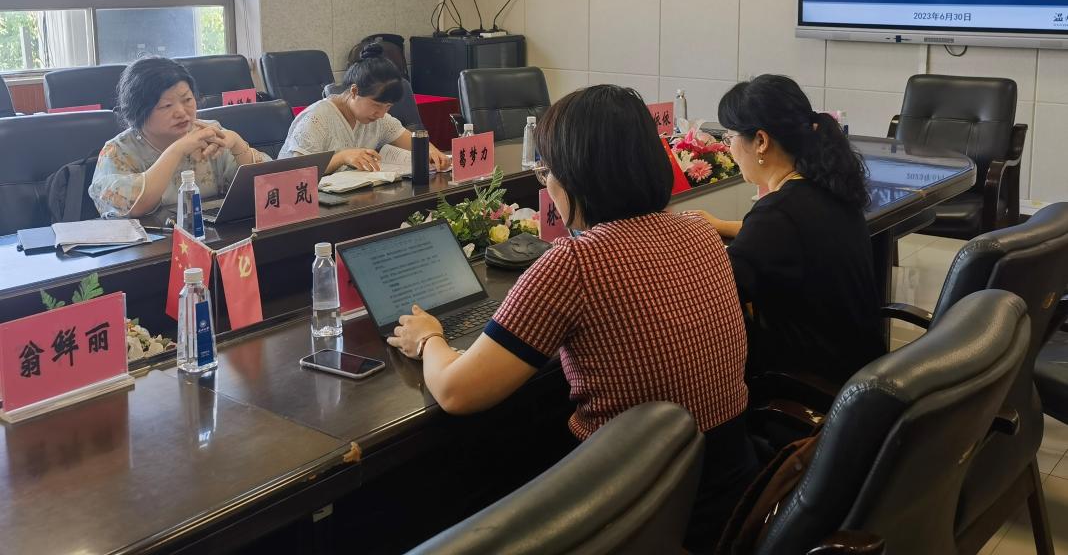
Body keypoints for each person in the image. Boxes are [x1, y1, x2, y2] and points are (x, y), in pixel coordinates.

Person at [387, 85, 756, 551]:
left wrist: (429, 339)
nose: (547, 185)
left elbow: (457, 392)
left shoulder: (575, 262)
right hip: (729, 495)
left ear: (575, 176)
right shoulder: (698, 231)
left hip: (634, 513)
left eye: (547, 171)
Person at [692, 74, 885, 383]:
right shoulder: (827, 187)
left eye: (730, 138)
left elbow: (716, 295)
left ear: (761, 141)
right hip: (860, 369)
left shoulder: (776, 215)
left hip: (812, 382)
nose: (729, 149)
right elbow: (793, 235)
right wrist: (719, 226)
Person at [90, 57, 269, 218]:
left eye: (187, 100)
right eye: (167, 106)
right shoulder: (118, 152)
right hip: (151, 243)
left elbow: (268, 187)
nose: (181, 112)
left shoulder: (209, 132)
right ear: (139, 112)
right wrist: (177, 150)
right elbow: (134, 206)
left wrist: (237, 144)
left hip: (212, 237)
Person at [278, 43, 448, 173]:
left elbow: (414, 142)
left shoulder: (379, 119)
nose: (381, 114)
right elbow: (297, 170)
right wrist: (342, 157)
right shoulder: (317, 118)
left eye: (388, 106)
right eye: (376, 105)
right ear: (354, 91)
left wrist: (433, 153)